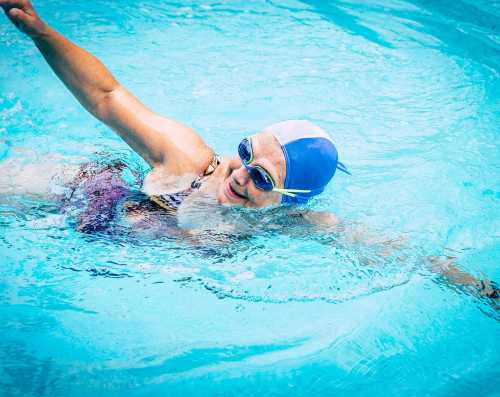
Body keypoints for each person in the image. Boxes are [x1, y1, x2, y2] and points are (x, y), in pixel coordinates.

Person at [1, 0, 498, 301]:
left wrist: (475, 286)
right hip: (88, 194)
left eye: (263, 179)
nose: (240, 175)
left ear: (290, 199)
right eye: (246, 152)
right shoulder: (188, 158)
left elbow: (396, 253)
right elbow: (108, 98)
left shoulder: (294, 224)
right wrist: (39, 31)